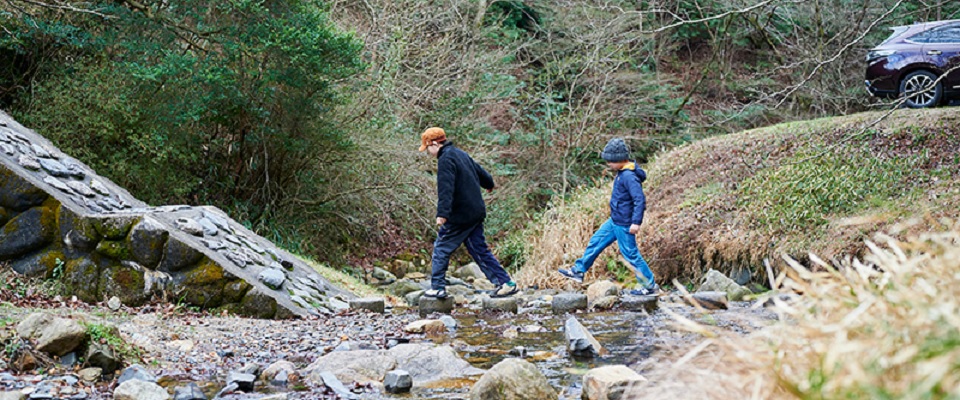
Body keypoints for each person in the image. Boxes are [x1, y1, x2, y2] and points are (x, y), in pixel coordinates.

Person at [418, 127, 518, 299]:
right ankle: (505, 283)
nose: (428, 152)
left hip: (461, 215)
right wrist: (489, 184)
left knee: (441, 247)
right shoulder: (460, 154)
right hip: (475, 211)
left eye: (427, 148)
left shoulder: (445, 159)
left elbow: (446, 189)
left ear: (434, 144)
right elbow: (481, 172)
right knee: (479, 250)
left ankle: (437, 288)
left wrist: (442, 214)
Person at [558, 138, 659, 296]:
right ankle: (578, 270)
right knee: (596, 241)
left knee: (631, 254)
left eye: (610, 161)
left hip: (625, 224)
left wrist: (636, 222)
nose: (608, 165)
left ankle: (649, 286)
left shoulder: (629, 176)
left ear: (620, 159)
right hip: (614, 221)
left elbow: (639, 200)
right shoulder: (621, 173)